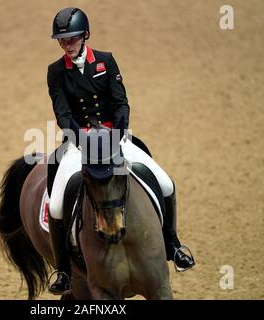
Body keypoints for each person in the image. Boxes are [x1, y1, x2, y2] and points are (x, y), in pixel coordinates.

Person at [46, 7, 195, 295]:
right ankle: (63, 270)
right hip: (80, 144)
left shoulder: (105, 61)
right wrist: (82, 139)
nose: (67, 45)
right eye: (62, 40)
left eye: (71, 38)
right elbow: (63, 115)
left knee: (165, 183)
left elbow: (121, 102)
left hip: (115, 138)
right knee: (55, 204)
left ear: (85, 35)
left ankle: (174, 245)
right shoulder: (55, 72)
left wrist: (117, 134)